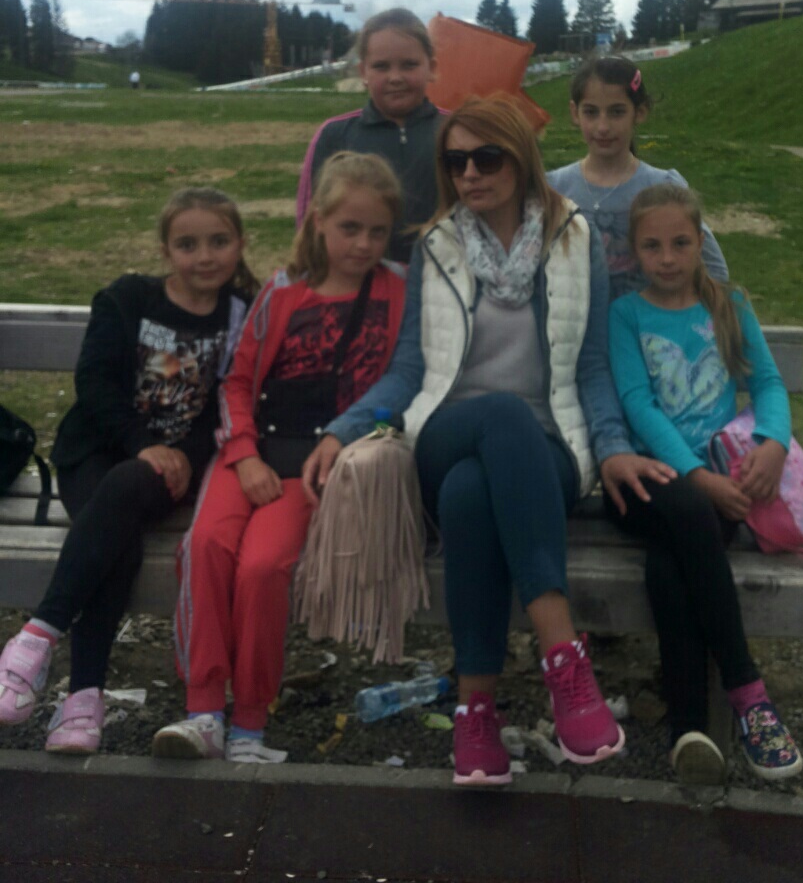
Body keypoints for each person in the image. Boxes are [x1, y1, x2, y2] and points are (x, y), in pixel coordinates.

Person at [302, 96, 675, 787]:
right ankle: (563, 657)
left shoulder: (575, 240)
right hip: (445, 431)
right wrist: (344, 429)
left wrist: (613, 445)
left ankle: (475, 712)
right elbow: (410, 367)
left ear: (519, 157)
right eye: (456, 162)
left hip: (547, 449)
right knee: (497, 417)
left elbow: (592, 366)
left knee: (473, 495)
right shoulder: (437, 245)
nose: (470, 174)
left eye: (486, 157)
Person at [153, 153, 406, 763]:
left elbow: (403, 380)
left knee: (263, 568)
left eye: (377, 231)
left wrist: (347, 440)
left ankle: (249, 719)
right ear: (319, 221)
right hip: (252, 449)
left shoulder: (400, 291)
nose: (363, 244)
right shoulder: (283, 290)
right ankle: (203, 707)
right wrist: (243, 455)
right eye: (350, 228)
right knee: (206, 546)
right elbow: (238, 381)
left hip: (320, 463)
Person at [0, 188, 256, 754]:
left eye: (218, 241)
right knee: (118, 535)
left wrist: (182, 454)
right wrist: (143, 443)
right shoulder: (127, 298)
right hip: (97, 450)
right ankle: (81, 697)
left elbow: (229, 399)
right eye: (187, 244)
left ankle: (36, 639)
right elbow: (93, 383)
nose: (204, 256)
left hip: (174, 469)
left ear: (240, 244)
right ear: (166, 250)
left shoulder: (242, 313)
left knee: (125, 497)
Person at [605, 182, 803, 784]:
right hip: (645, 478)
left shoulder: (727, 306)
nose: (667, 258)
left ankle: (688, 731)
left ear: (700, 242)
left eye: (680, 243)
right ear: (634, 252)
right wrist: (696, 479)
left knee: (670, 563)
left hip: (722, 483)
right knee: (690, 517)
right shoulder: (626, 314)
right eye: (653, 246)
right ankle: (749, 693)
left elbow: (767, 382)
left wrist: (773, 442)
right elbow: (638, 405)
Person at [547, 55, 729, 300]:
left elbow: (715, 269)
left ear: (639, 112)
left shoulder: (662, 187)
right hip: (574, 324)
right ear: (575, 113)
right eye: (591, 112)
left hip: (644, 325)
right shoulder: (554, 188)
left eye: (617, 112)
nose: (603, 127)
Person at [295, 8, 442, 264]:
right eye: (381, 67)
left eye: (409, 65)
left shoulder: (456, 131)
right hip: (360, 279)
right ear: (363, 72)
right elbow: (311, 219)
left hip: (444, 280)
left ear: (432, 67)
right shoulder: (335, 135)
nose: (395, 77)